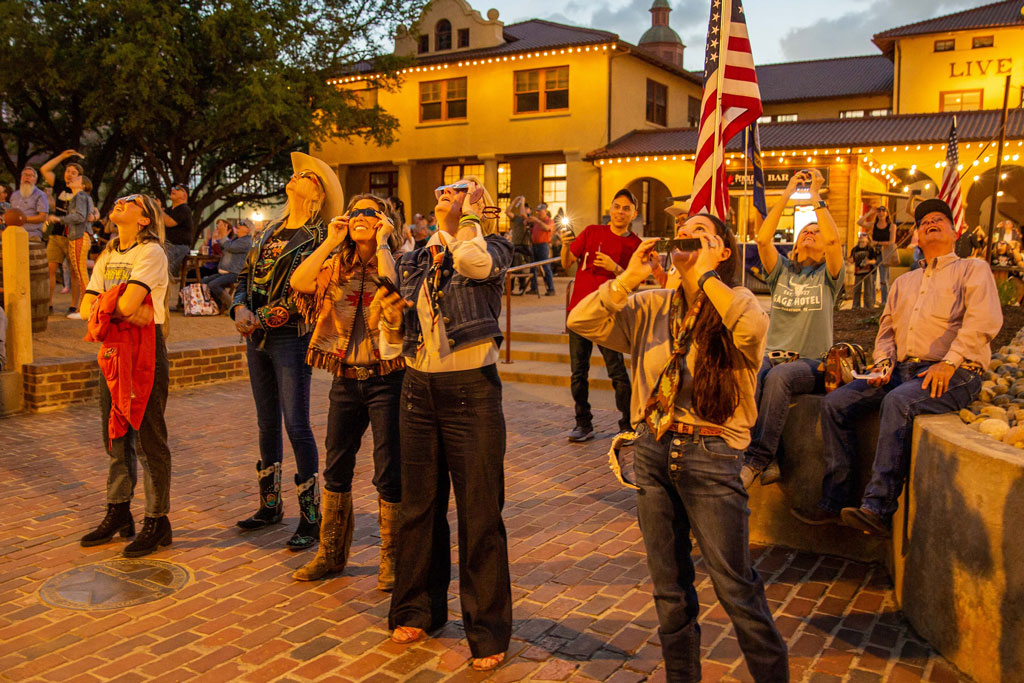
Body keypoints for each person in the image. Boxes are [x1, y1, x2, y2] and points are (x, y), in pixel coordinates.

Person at [567, 214, 788, 682]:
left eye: (702, 231)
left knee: (735, 588)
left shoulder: (739, 300)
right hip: (652, 449)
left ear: (724, 251)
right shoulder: (651, 304)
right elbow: (580, 319)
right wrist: (627, 278)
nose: (688, 234)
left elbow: (751, 335)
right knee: (670, 591)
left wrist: (705, 276)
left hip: (711, 456)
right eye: (684, 229)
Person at [793, 199, 1001, 537]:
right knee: (835, 404)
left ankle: (878, 508)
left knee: (898, 402)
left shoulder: (972, 269)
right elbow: (886, 331)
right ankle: (835, 502)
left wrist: (950, 362)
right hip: (902, 371)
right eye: (923, 222)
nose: (930, 224)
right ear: (916, 236)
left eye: (939, 220)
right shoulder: (905, 283)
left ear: (954, 230)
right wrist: (885, 361)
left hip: (957, 371)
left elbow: (982, 322)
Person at [379, 176, 513, 673]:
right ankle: (418, 608)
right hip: (418, 388)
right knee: (419, 507)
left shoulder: (493, 246)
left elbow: (472, 261)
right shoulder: (415, 257)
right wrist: (391, 321)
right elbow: (395, 344)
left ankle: (487, 628)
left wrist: (470, 216)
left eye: (457, 189)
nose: (444, 195)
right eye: (440, 191)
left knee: (479, 512)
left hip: (471, 391)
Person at [288, 193, 404, 587]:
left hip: (386, 378)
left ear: (385, 222)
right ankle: (330, 554)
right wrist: (330, 240)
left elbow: (392, 282)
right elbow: (299, 282)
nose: (360, 217)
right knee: (336, 468)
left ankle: (392, 560)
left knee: (389, 472)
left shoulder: (396, 257)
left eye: (371, 213)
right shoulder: (336, 262)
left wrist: (384, 242)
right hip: (345, 378)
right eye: (355, 212)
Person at [230, 153, 339, 550]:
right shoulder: (269, 229)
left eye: (307, 176)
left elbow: (314, 290)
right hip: (255, 336)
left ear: (317, 194)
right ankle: (270, 506)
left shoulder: (320, 234)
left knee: (296, 423)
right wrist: (239, 308)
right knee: (265, 422)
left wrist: (266, 317)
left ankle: (311, 516)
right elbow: (245, 276)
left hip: (289, 336)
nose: (297, 178)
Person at [77, 193, 172, 557]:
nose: (120, 201)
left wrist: (110, 306)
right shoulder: (109, 253)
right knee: (115, 434)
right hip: (114, 351)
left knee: (149, 439)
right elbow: (86, 305)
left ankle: (157, 519)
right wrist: (116, 307)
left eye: (130, 200)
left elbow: (129, 303)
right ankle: (118, 511)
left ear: (144, 218)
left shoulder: (151, 253)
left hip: (145, 352)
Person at [742, 170, 844, 489]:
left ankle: (756, 460)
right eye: (805, 232)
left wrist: (814, 195)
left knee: (779, 377)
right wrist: (786, 193)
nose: (811, 233)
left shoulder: (829, 276)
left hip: (812, 362)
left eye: (815, 231)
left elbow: (833, 239)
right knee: (753, 373)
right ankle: (763, 458)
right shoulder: (781, 272)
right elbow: (762, 239)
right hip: (773, 356)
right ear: (796, 247)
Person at [560, 189, 642, 441]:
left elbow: (635, 283)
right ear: (611, 208)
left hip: (609, 315)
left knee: (616, 371)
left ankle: (627, 424)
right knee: (578, 372)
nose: (620, 212)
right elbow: (566, 264)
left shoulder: (635, 245)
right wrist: (565, 245)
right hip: (579, 313)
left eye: (626, 208)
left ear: (634, 214)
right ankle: (583, 424)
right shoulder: (592, 232)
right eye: (617, 206)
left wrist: (615, 268)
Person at [47, 172, 95, 318]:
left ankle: (85, 308)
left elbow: (80, 216)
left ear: (83, 185)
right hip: (80, 235)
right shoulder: (84, 197)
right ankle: (84, 307)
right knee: (81, 272)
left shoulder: (79, 196)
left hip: (78, 235)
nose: (72, 179)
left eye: (77, 178)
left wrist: (59, 219)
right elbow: (90, 215)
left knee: (81, 273)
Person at [203, 219, 252, 309]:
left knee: (214, 284)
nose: (239, 225)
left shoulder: (246, 241)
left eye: (242, 224)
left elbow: (230, 247)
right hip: (226, 272)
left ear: (248, 230)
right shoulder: (237, 239)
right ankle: (220, 305)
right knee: (205, 281)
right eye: (238, 223)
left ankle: (232, 305)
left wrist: (223, 236)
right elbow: (223, 248)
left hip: (235, 273)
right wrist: (216, 237)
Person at [162, 183, 194, 306]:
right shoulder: (170, 210)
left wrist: (159, 210)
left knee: (165, 271)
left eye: (177, 189)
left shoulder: (184, 209)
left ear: (184, 195)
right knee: (159, 271)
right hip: (167, 245)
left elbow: (170, 222)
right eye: (172, 188)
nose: (173, 190)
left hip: (178, 246)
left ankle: (163, 302)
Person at [858, 204, 895, 307]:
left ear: (887, 213)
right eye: (879, 210)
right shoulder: (874, 224)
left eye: (883, 210)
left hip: (884, 253)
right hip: (874, 253)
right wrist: (870, 212)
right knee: (872, 279)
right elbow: (860, 222)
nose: (881, 212)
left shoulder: (891, 226)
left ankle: (885, 302)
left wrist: (876, 242)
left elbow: (892, 241)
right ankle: (872, 302)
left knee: (884, 279)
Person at [9, 167, 50, 240]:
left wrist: (23, 219)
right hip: (13, 234)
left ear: (35, 180)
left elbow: (43, 217)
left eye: (30, 176)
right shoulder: (14, 195)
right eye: (25, 175)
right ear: (21, 177)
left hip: (31, 235)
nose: (27, 177)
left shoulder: (40, 195)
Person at [525, 202, 555, 295]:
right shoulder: (535, 222)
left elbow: (547, 228)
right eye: (538, 212)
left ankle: (551, 288)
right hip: (534, 245)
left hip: (543, 245)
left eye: (540, 211)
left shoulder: (549, 221)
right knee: (533, 267)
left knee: (546, 267)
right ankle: (533, 288)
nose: (538, 213)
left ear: (545, 211)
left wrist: (537, 221)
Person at [848, 234, 878, 309]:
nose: (861, 237)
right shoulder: (855, 249)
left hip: (868, 272)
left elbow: (874, 260)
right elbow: (851, 259)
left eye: (864, 236)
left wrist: (869, 262)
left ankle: (868, 306)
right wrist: (850, 260)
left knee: (868, 290)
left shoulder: (870, 249)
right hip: (858, 272)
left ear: (867, 239)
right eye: (860, 236)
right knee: (857, 290)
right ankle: (855, 306)